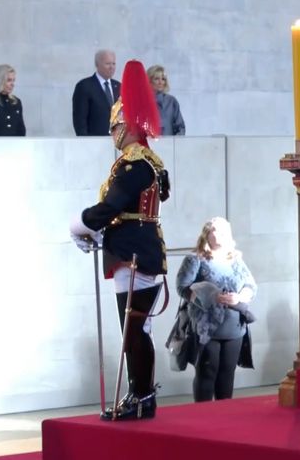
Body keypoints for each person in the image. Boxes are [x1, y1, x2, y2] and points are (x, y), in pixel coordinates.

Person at [68, 60, 170, 420]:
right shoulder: (149, 161)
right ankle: (139, 394)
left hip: (133, 254)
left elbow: (111, 206)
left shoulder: (133, 164)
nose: (112, 132)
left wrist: (80, 224)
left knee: (134, 331)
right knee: (137, 330)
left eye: (115, 126)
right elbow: (128, 209)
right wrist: (97, 231)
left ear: (126, 125)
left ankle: (142, 396)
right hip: (137, 249)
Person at [176, 217, 257, 402]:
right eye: (215, 230)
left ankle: (225, 414)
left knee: (227, 374)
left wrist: (239, 297)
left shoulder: (236, 260)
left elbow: (251, 286)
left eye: (223, 231)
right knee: (207, 372)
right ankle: (203, 415)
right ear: (207, 234)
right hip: (206, 327)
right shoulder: (194, 259)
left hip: (234, 326)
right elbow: (182, 287)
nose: (220, 234)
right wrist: (210, 297)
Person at [72, 49, 120, 136]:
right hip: (95, 140)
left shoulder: (119, 86)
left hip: (116, 141)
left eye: (113, 64)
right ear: (97, 64)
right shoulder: (84, 86)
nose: (111, 67)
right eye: (108, 64)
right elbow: (80, 120)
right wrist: (85, 141)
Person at [147, 65, 186, 135]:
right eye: (156, 79)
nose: (160, 82)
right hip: (148, 141)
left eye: (163, 79)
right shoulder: (143, 101)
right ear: (149, 80)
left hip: (169, 141)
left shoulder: (172, 101)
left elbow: (180, 128)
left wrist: (175, 141)